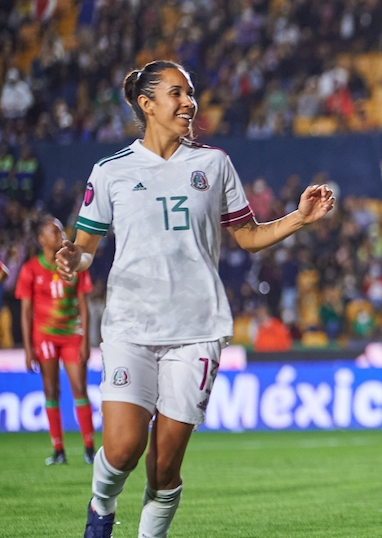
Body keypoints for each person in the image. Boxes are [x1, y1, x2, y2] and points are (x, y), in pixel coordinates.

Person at [57, 60, 334, 538]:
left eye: (190, 94)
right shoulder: (110, 172)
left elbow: (246, 236)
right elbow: (84, 250)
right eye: (177, 93)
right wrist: (70, 259)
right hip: (131, 326)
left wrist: (299, 219)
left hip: (197, 328)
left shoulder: (214, 164)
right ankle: (101, 508)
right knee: (123, 449)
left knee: (164, 466)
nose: (190, 103)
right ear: (147, 105)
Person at [17, 217, 95, 465]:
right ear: (42, 239)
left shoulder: (75, 265)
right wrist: (28, 349)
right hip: (46, 337)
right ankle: (59, 450)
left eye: (61, 230)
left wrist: (85, 340)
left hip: (73, 335)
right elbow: (26, 312)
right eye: (54, 231)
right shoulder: (30, 269)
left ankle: (90, 449)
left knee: (79, 389)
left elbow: (84, 305)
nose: (61, 234)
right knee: (51, 390)